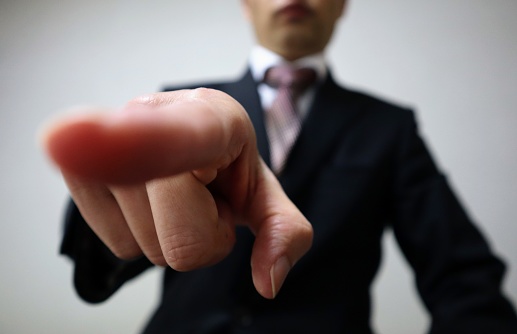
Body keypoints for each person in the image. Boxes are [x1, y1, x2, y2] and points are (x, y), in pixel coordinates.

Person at [41, 0, 517, 333]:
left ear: (341, 4)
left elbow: (463, 277)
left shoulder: (389, 127)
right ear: (246, 3)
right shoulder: (178, 109)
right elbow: (96, 259)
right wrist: (112, 186)